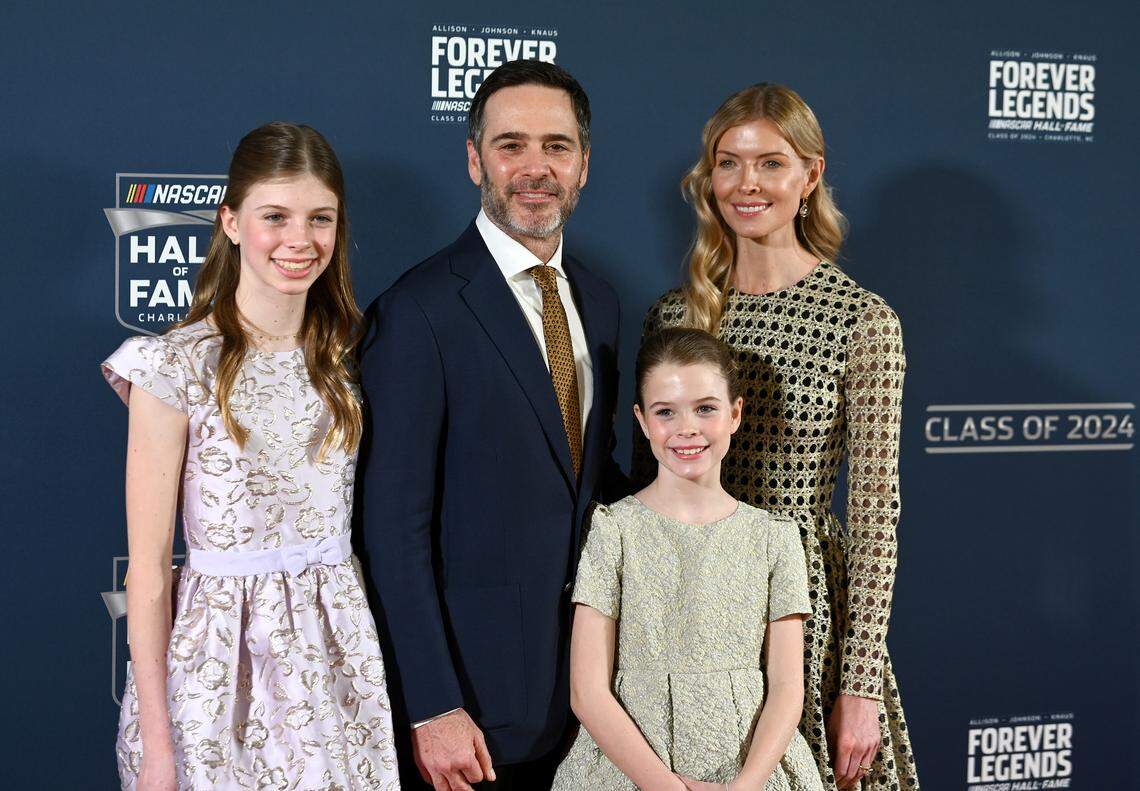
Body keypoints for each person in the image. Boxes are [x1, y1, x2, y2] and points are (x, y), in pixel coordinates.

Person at [634, 84, 920, 790]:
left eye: (771, 163)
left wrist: (858, 685)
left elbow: (876, 514)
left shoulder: (861, 320)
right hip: (685, 593)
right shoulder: (677, 313)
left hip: (800, 602)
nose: (747, 184)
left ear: (810, 175)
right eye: (728, 163)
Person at [104, 122, 400, 791]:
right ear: (231, 221)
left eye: (320, 218)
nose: (300, 240)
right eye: (276, 217)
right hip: (218, 675)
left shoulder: (349, 365)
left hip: (337, 666)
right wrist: (158, 745)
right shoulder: (175, 365)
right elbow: (148, 573)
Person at [357, 60, 626, 791]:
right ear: (475, 157)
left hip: (588, 704)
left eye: (557, 146)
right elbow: (390, 529)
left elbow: (592, 484)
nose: (535, 167)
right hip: (468, 719)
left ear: (584, 165)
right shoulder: (417, 312)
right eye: (511, 145)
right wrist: (433, 703)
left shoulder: (600, 305)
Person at [553, 327, 823, 791]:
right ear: (641, 420)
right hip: (629, 767)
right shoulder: (613, 531)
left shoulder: (775, 538)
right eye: (665, 412)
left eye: (705, 408)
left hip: (751, 768)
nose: (687, 429)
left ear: (735, 413)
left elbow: (785, 689)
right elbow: (587, 692)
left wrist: (745, 786)